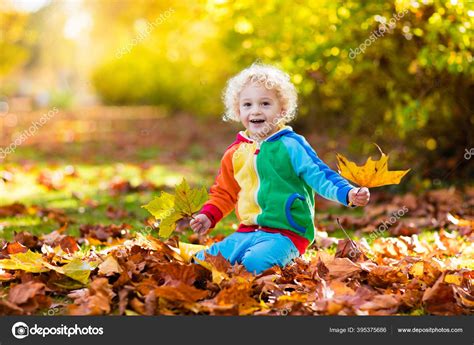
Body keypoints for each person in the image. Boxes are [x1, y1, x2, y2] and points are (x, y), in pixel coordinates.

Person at [190, 63, 370, 274]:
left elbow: (320, 174)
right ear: (238, 111)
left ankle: (265, 265)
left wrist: (348, 193)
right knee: (201, 261)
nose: (255, 110)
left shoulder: (292, 145)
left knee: (253, 265)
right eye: (247, 105)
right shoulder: (235, 153)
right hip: (247, 231)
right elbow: (224, 192)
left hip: (288, 233)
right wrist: (208, 216)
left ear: (282, 109)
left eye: (265, 103)